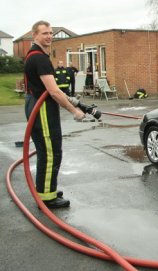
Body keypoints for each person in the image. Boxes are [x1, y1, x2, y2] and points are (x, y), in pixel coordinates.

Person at [24, 20, 85, 208]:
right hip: (41, 110)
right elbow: (54, 91)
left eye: (51, 33)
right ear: (34, 35)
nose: (49, 36)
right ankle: (47, 197)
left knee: (46, 150)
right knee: (51, 152)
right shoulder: (39, 58)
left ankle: (45, 188)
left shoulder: (33, 55)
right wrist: (74, 111)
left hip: (35, 105)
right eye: (44, 33)